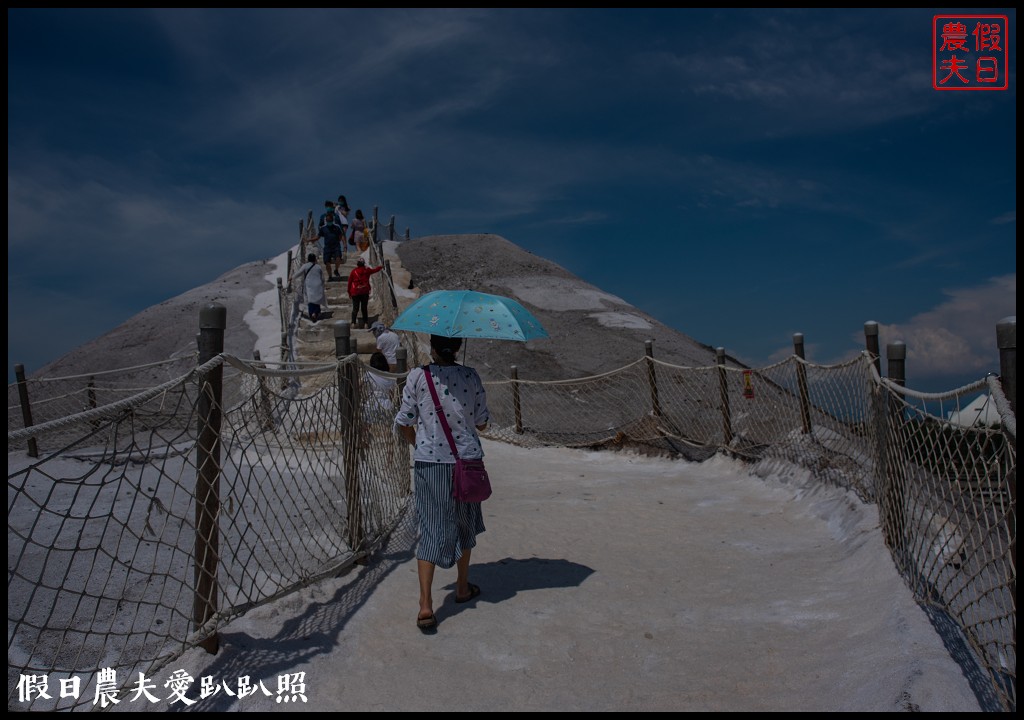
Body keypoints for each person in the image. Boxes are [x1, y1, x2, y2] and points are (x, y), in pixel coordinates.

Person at [394, 334, 490, 632]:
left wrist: (418, 444)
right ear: (458, 347)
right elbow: (483, 423)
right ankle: (462, 587)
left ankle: (425, 606)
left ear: (432, 348)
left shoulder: (417, 376)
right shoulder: (470, 376)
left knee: (431, 527)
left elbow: (404, 421)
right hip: (467, 462)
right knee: (465, 523)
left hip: (430, 463)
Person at [347, 257, 382, 329]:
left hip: (355, 292)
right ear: (363, 264)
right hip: (364, 291)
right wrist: (381, 267)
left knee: (355, 308)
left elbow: (350, 283)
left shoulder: (353, 272)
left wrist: (349, 292)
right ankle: (365, 323)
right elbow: (375, 270)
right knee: (364, 308)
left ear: (357, 264)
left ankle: (353, 323)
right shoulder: (367, 270)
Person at [291, 253, 326, 322]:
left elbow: (298, 273)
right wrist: (322, 285)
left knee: (311, 300)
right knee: (317, 300)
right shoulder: (318, 267)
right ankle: (316, 312)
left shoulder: (305, 266)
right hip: (318, 285)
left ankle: (312, 313)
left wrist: (292, 278)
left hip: (309, 285)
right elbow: (322, 278)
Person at [318, 211, 347, 279]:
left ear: (332, 220)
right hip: (327, 247)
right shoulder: (323, 228)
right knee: (327, 263)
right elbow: (318, 236)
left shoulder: (337, 227)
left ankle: (336, 270)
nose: (329, 221)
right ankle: (330, 276)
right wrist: (310, 240)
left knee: (338, 258)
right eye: (328, 220)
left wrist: (344, 244)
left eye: (330, 220)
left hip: (336, 246)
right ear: (326, 220)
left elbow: (341, 236)